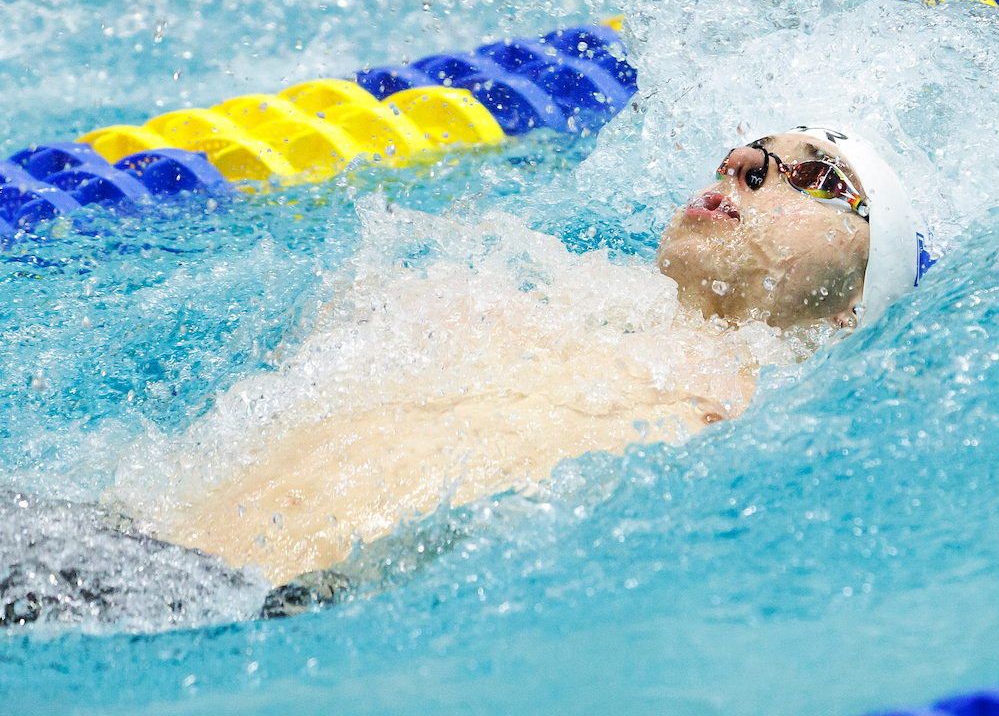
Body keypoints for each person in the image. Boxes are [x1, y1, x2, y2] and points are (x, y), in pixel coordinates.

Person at [106, 126, 933, 590]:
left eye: (818, 177)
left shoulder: (763, 423)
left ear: (855, 305)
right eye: (748, 152)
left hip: (244, 607)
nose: (744, 165)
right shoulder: (529, 289)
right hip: (123, 540)